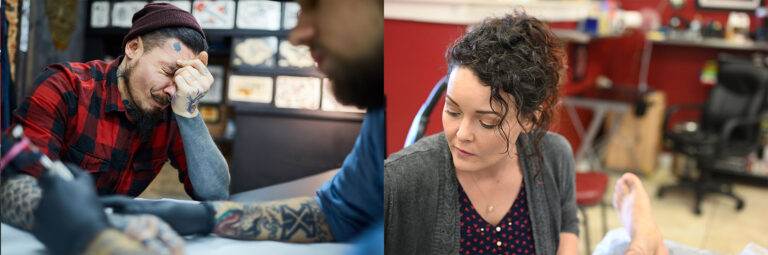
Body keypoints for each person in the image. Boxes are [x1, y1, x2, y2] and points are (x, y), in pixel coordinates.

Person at [3, 0, 385, 254]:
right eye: (169, 71)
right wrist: (96, 227)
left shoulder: (172, 105)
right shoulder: (67, 86)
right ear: (133, 49)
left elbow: (214, 190)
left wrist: (189, 112)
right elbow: (16, 181)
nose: (174, 88)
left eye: (184, 78)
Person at [384, 13, 579, 254]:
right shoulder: (401, 178)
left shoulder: (554, 156)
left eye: (487, 121)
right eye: (453, 111)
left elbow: (567, 226)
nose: (462, 134)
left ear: (530, 118)